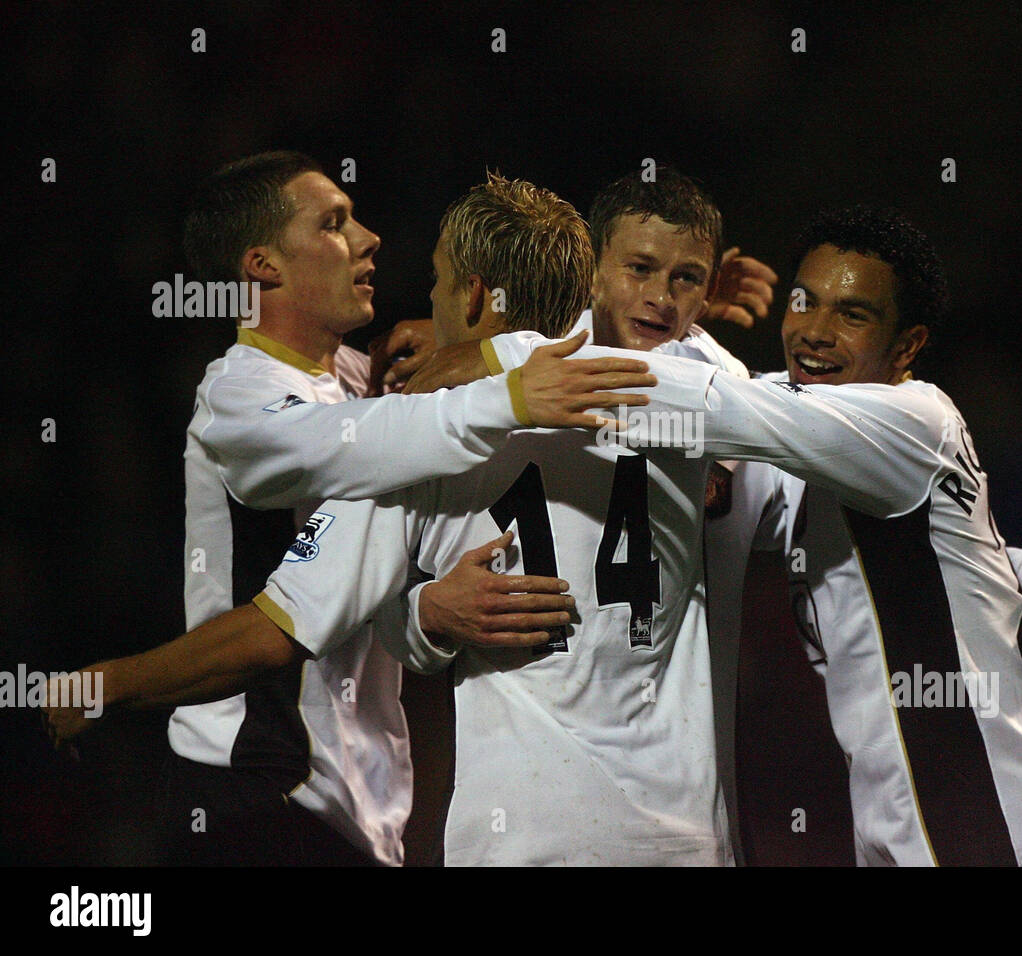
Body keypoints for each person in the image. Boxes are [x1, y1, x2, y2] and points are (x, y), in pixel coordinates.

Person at [46, 158, 654, 865]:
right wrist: (500, 380)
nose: (369, 239)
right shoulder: (241, 400)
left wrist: (423, 607)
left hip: (357, 807)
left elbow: (359, 571)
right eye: (332, 224)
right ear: (262, 265)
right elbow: (351, 473)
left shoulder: (364, 385)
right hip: (257, 787)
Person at [498, 203, 1022, 865]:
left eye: (853, 314)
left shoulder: (907, 421)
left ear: (908, 346)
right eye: (804, 302)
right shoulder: (817, 434)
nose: (816, 332)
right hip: (909, 819)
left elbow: (719, 405)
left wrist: (499, 363)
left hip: (997, 822)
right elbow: (960, 568)